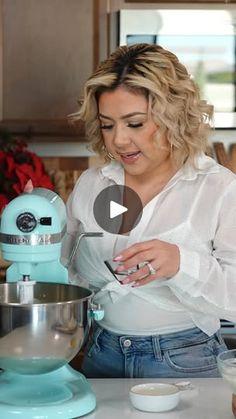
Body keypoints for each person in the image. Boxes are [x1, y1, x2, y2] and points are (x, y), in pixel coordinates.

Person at [62, 43, 236, 379]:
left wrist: (180, 263)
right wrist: (41, 224)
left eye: (135, 124)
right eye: (108, 125)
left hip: (186, 361)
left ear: (173, 115)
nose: (119, 141)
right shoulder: (92, 183)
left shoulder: (218, 188)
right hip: (101, 354)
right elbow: (67, 273)